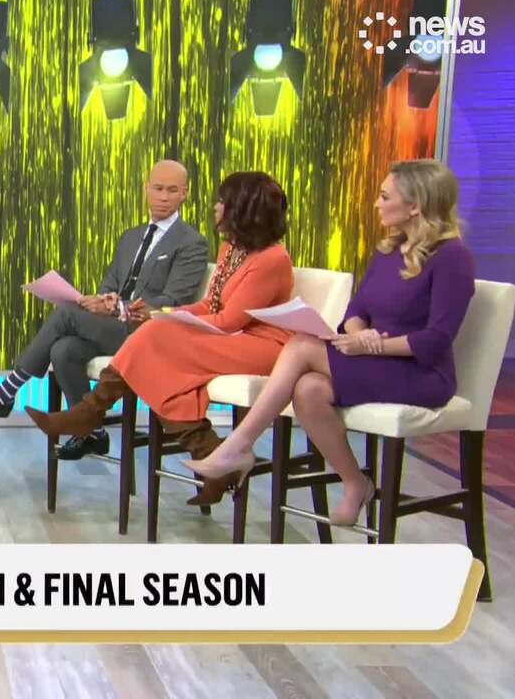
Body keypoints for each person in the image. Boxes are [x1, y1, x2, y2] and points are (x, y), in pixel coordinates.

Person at [185, 160, 476, 526]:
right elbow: (357, 310)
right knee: (308, 389)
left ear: (415, 205)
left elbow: (436, 340)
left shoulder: (453, 258)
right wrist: (357, 332)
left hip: (421, 374)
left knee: (301, 346)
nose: (377, 203)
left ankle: (239, 446)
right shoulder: (389, 251)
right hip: (378, 362)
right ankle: (355, 483)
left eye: (385, 197)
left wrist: (371, 347)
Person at [26, 171, 295, 505]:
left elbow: (230, 321)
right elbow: (210, 305)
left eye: (223, 202)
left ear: (243, 209)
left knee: (155, 344)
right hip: (227, 336)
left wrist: (170, 324)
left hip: (259, 345)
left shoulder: (272, 260)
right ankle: (207, 451)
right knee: (155, 346)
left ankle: (89, 412)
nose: (215, 207)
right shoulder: (231, 248)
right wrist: (165, 314)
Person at [0, 159, 210, 459]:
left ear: (184, 194)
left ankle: (6, 391)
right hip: (115, 327)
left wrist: (121, 307)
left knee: (66, 315)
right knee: (64, 350)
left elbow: (173, 301)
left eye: (172, 190)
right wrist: (101, 300)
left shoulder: (192, 243)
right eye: (158, 188)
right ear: (146, 189)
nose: (163, 197)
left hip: (149, 334)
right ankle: (92, 433)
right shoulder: (130, 237)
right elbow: (110, 284)